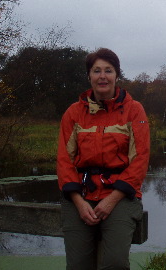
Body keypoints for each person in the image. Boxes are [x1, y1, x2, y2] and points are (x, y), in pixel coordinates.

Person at [57, 48, 150, 270]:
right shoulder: (73, 113)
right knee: (78, 264)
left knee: (114, 263)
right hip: (80, 195)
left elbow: (140, 159)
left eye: (108, 70)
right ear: (89, 76)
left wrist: (112, 199)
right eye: (96, 70)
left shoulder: (134, 111)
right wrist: (78, 202)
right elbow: (64, 160)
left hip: (120, 196)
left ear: (117, 75)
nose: (102, 76)